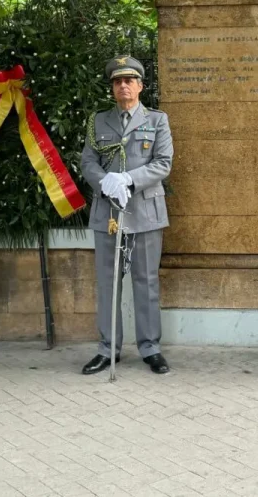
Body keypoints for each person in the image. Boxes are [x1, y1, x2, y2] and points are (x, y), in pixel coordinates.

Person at [80, 55, 173, 375]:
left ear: (140, 86)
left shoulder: (157, 120)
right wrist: (105, 181)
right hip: (108, 211)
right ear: (112, 88)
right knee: (108, 282)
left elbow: (163, 163)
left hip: (145, 209)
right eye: (117, 81)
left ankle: (151, 348)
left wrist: (129, 179)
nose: (123, 86)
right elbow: (87, 162)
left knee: (146, 281)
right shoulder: (98, 121)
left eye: (129, 81)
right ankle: (108, 349)